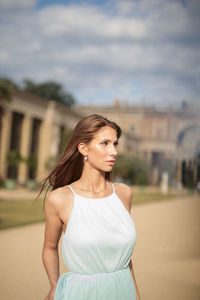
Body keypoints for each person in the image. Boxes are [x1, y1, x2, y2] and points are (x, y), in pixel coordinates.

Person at [39, 114, 141, 300]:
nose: (114, 151)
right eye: (105, 143)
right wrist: (54, 286)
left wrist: (136, 294)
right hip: (80, 293)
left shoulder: (124, 194)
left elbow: (123, 256)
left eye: (115, 144)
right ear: (84, 148)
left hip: (122, 291)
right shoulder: (60, 199)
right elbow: (50, 247)